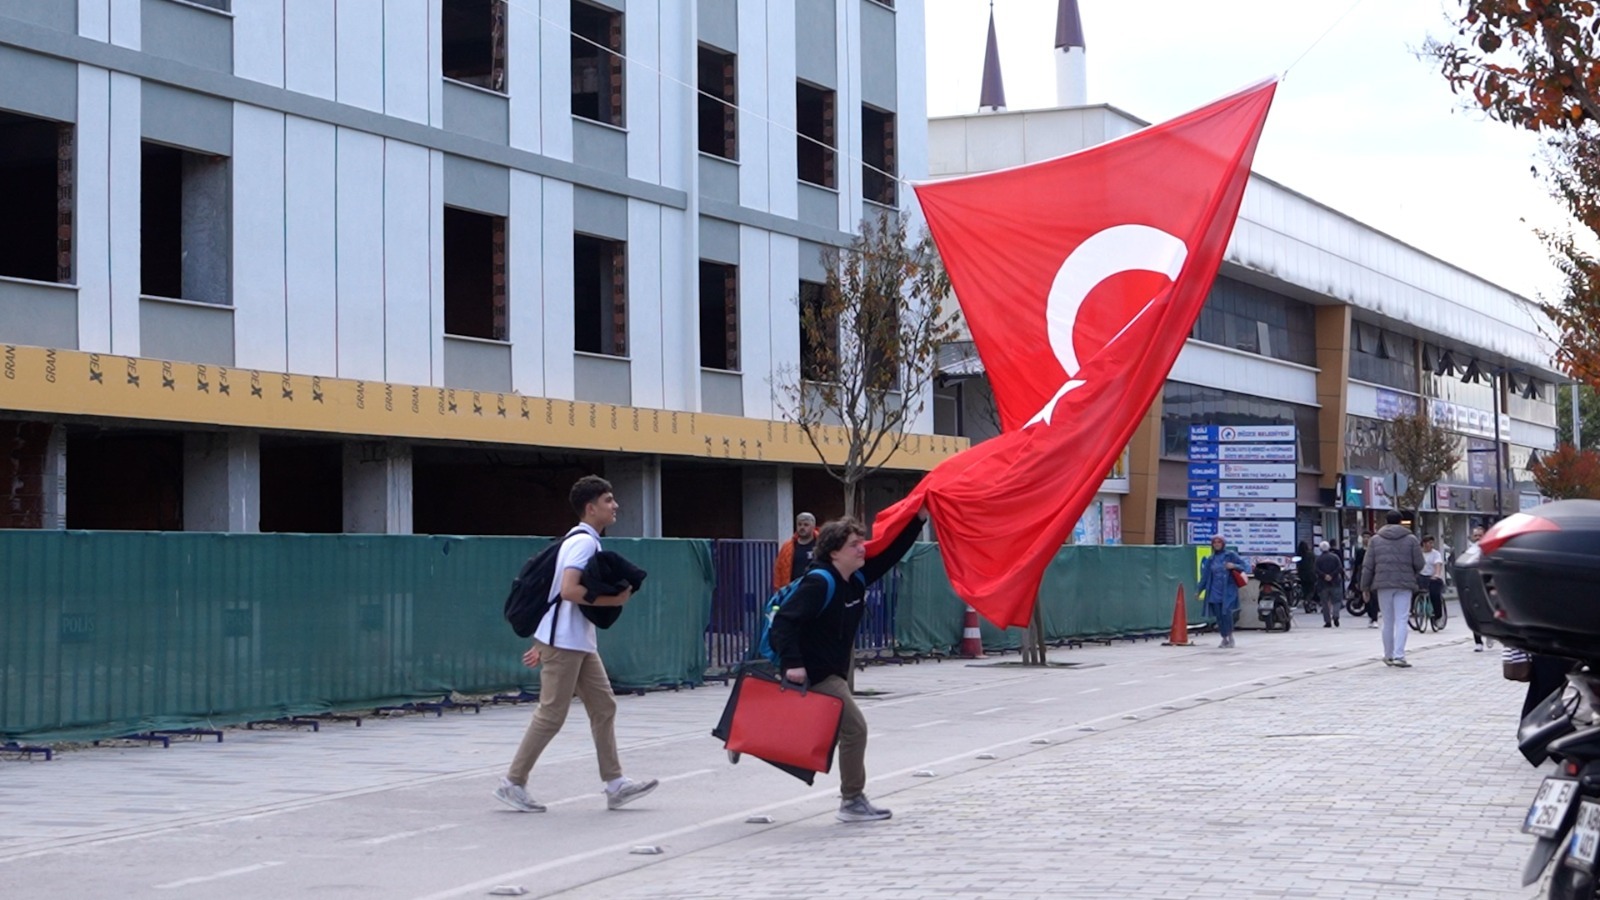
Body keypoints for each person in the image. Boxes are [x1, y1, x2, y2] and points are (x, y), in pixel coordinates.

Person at [495, 475, 658, 813]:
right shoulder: (584, 543)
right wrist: (614, 601)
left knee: (604, 706)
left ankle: (615, 784)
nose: (615, 506)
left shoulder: (579, 540)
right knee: (552, 714)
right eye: (609, 500)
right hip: (566, 642)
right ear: (591, 507)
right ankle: (513, 782)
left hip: (577, 641)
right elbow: (569, 590)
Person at [768, 511, 925, 823]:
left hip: (830, 669)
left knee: (803, 734)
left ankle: (741, 735)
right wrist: (793, 664)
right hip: (816, 671)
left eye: (862, 542)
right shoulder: (819, 582)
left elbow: (892, 554)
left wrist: (918, 521)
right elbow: (784, 622)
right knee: (855, 728)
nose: (862, 548)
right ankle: (851, 800)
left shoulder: (855, 579)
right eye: (854, 544)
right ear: (835, 551)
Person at [1360, 510, 1425, 668]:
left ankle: (1388, 655)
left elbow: (1368, 566)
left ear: (1385, 521)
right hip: (1404, 584)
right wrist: (1411, 571)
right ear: (1401, 521)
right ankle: (1399, 655)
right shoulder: (1411, 539)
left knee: (1387, 621)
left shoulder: (1375, 540)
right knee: (1402, 619)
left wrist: (1365, 587)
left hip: (1383, 584)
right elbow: (1420, 563)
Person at [1196, 535, 1247, 649]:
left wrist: (1234, 566)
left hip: (1227, 590)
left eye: (1219, 542)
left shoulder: (1230, 555)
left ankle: (1230, 636)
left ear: (1223, 544)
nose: (1217, 544)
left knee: (1226, 613)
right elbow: (1205, 576)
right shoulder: (1211, 559)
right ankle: (1224, 637)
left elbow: (1245, 566)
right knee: (1219, 615)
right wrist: (1199, 590)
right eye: (1215, 542)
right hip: (1214, 591)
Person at [772, 512, 818, 589]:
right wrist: (779, 590)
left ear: (813, 526)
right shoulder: (787, 547)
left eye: (806, 525)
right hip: (793, 590)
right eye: (799, 524)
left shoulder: (821, 545)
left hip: (816, 589)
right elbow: (778, 569)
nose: (802, 527)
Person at [1315, 539, 1343, 627]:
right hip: (1335, 582)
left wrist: (1324, 576)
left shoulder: (1318, 559)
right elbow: (1339, 568)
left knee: (1325, 603)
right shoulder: (1335, 557)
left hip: (1323, 584)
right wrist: (1332, 575)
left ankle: (1327, 621)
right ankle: (1336, 615)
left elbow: (1316, 570)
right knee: (1337, 601)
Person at [1420, 535, 1446, 628]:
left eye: (1432, 543)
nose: (1431, 545)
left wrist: (1436, 574)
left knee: (1435, 594)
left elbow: (1438, 565)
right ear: (1424, 543)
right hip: (1421, 576)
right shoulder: (1419, 553)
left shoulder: (1436, 554)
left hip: (1432, 577)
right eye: (1429, 543)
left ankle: (1438, 616)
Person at [1295, 540, 1316, 606]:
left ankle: (1306, 600)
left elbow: (1298, 565)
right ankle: (1307, 601)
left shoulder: (1299, 555)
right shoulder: (1311, 554)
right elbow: (1314, 563)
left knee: (1305, 589)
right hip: (1311, 574)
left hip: (1302, 575)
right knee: (1312, 589)